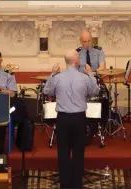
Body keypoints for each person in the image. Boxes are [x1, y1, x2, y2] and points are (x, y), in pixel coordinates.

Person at [43, 49, 99, 188]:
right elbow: (95, 91)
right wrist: (91, 74)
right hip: (79, 118)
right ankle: (77, 184)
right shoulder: (85, 78)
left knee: (63, 152)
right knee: (79, 152)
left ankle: (65, 184)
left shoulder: (57, 78)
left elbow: (47, 91)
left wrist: (52, 74)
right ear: (76, 61)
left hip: (63, 119)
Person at [76, 30, 108, 146]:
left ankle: (101, 124)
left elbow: (102, 67)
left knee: (104, 97)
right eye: (84, 42)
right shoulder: (77, 53)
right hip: (82, 84)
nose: (86, 44)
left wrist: (91, 73)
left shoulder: (99, 51)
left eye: (89, 41)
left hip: (95, 81)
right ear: (80, 41)